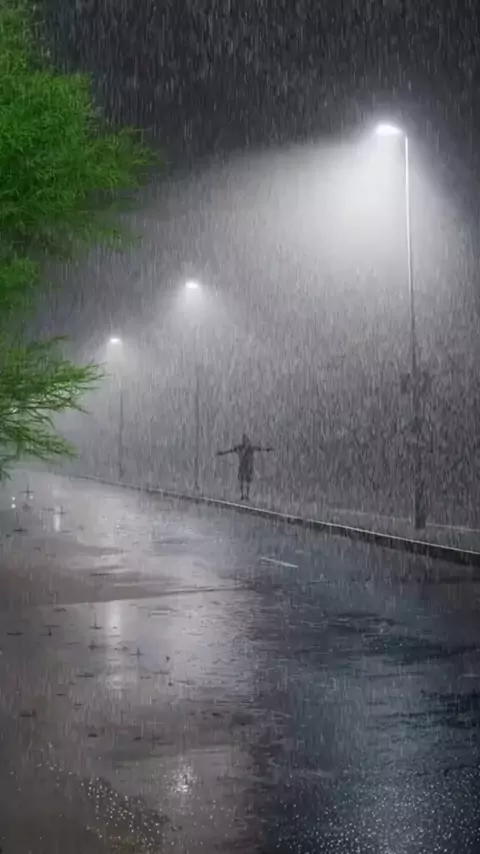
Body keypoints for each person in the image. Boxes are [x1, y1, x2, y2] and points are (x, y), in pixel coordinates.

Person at [216, 433, 274, 501]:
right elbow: (231, 450)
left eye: (245, 440)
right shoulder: (242, 448)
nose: (244, 441)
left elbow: (260, 449)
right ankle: (243, 495)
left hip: (247, 466)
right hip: (244, 466)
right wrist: (222, 453)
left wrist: (268, 449)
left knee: (246, 481)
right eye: (244, 440)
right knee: (243, 481)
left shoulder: (250, 448)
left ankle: (246, 495)